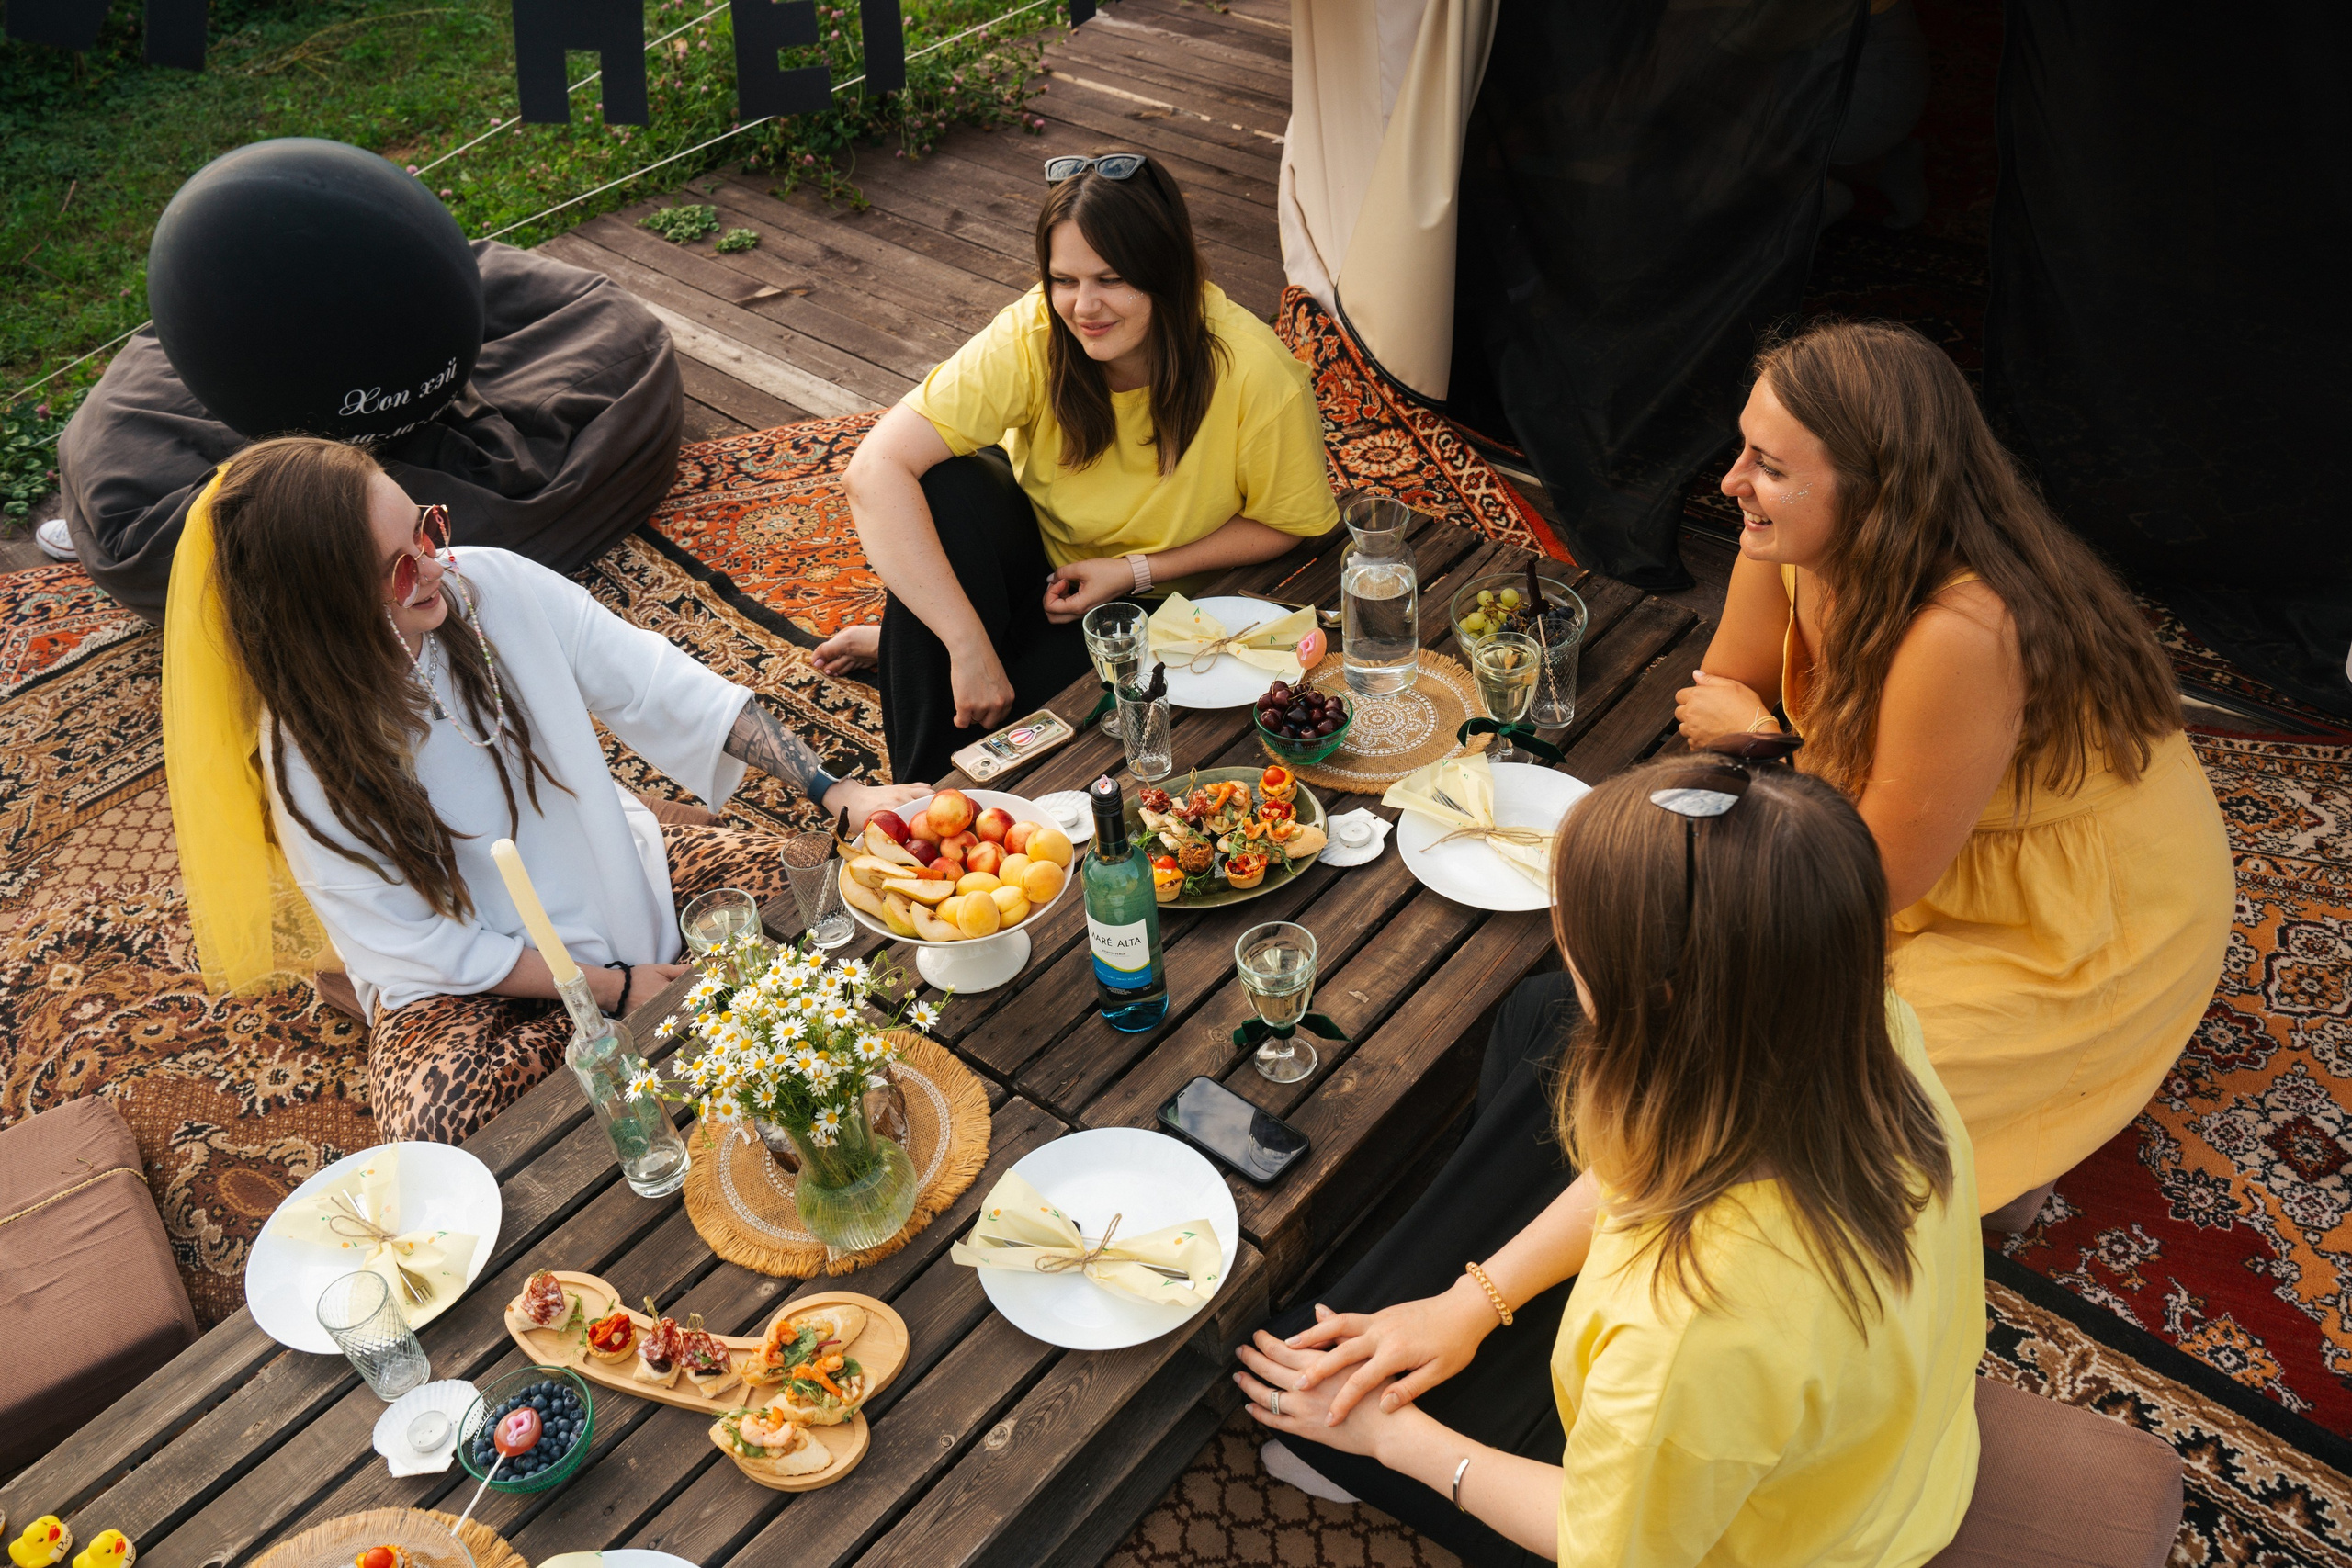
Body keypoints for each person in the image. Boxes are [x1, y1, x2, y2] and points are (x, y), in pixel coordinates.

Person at [1233, 748, 1984, 1565]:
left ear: (1658, 1002)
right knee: (1543, 1015)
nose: (1565, 944)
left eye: (1577, 936)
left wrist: (1391, 1435)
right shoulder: (1861, 1020)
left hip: (1755, 1542)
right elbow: (1643, 1166)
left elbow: (1604, 1545)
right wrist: (1470, 1303)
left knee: (1315, 1388)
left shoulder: (1694, 1335)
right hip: (1869, 1453)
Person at [162, 435, 925, 1145]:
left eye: (427, 530)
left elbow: (658, 685)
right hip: (468, 979)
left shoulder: (488, 584)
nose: (433, 564)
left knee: (837, 900)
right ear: (323, 605)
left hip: (620, 872)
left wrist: (835, 791)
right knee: (447, 1133)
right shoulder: (303, 754)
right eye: (399, 566)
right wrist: (617, 987)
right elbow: (418, 944)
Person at [1674, 319, 2233, 1224]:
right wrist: (1747, 732)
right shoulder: (1782, 544)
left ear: (1871, 491)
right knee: (1703, 991)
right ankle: (1992, 1147)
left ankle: (2028, 1137)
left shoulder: (1963, 632)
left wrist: (1765, 744)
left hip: (2063, 923)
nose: (1733, 483)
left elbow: (1874, 876)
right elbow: (1725, 690)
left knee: (1797, 1100)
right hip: (1904, 844)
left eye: (1770, 467)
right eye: (1743, 449)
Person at [813, 152, 1340, 783]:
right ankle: (920, 800)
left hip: (1156, 612)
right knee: (942, 484)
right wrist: (963, 642)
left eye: (1111, 278)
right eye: (1064, 279)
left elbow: (1290, 524)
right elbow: (872, 471)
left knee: (1026, 730)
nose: (1083, 306)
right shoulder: (1036, 328)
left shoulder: (1255, 371)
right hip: (1039, 567)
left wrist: (1132, 572)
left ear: (1165, 271)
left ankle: (907, 647)